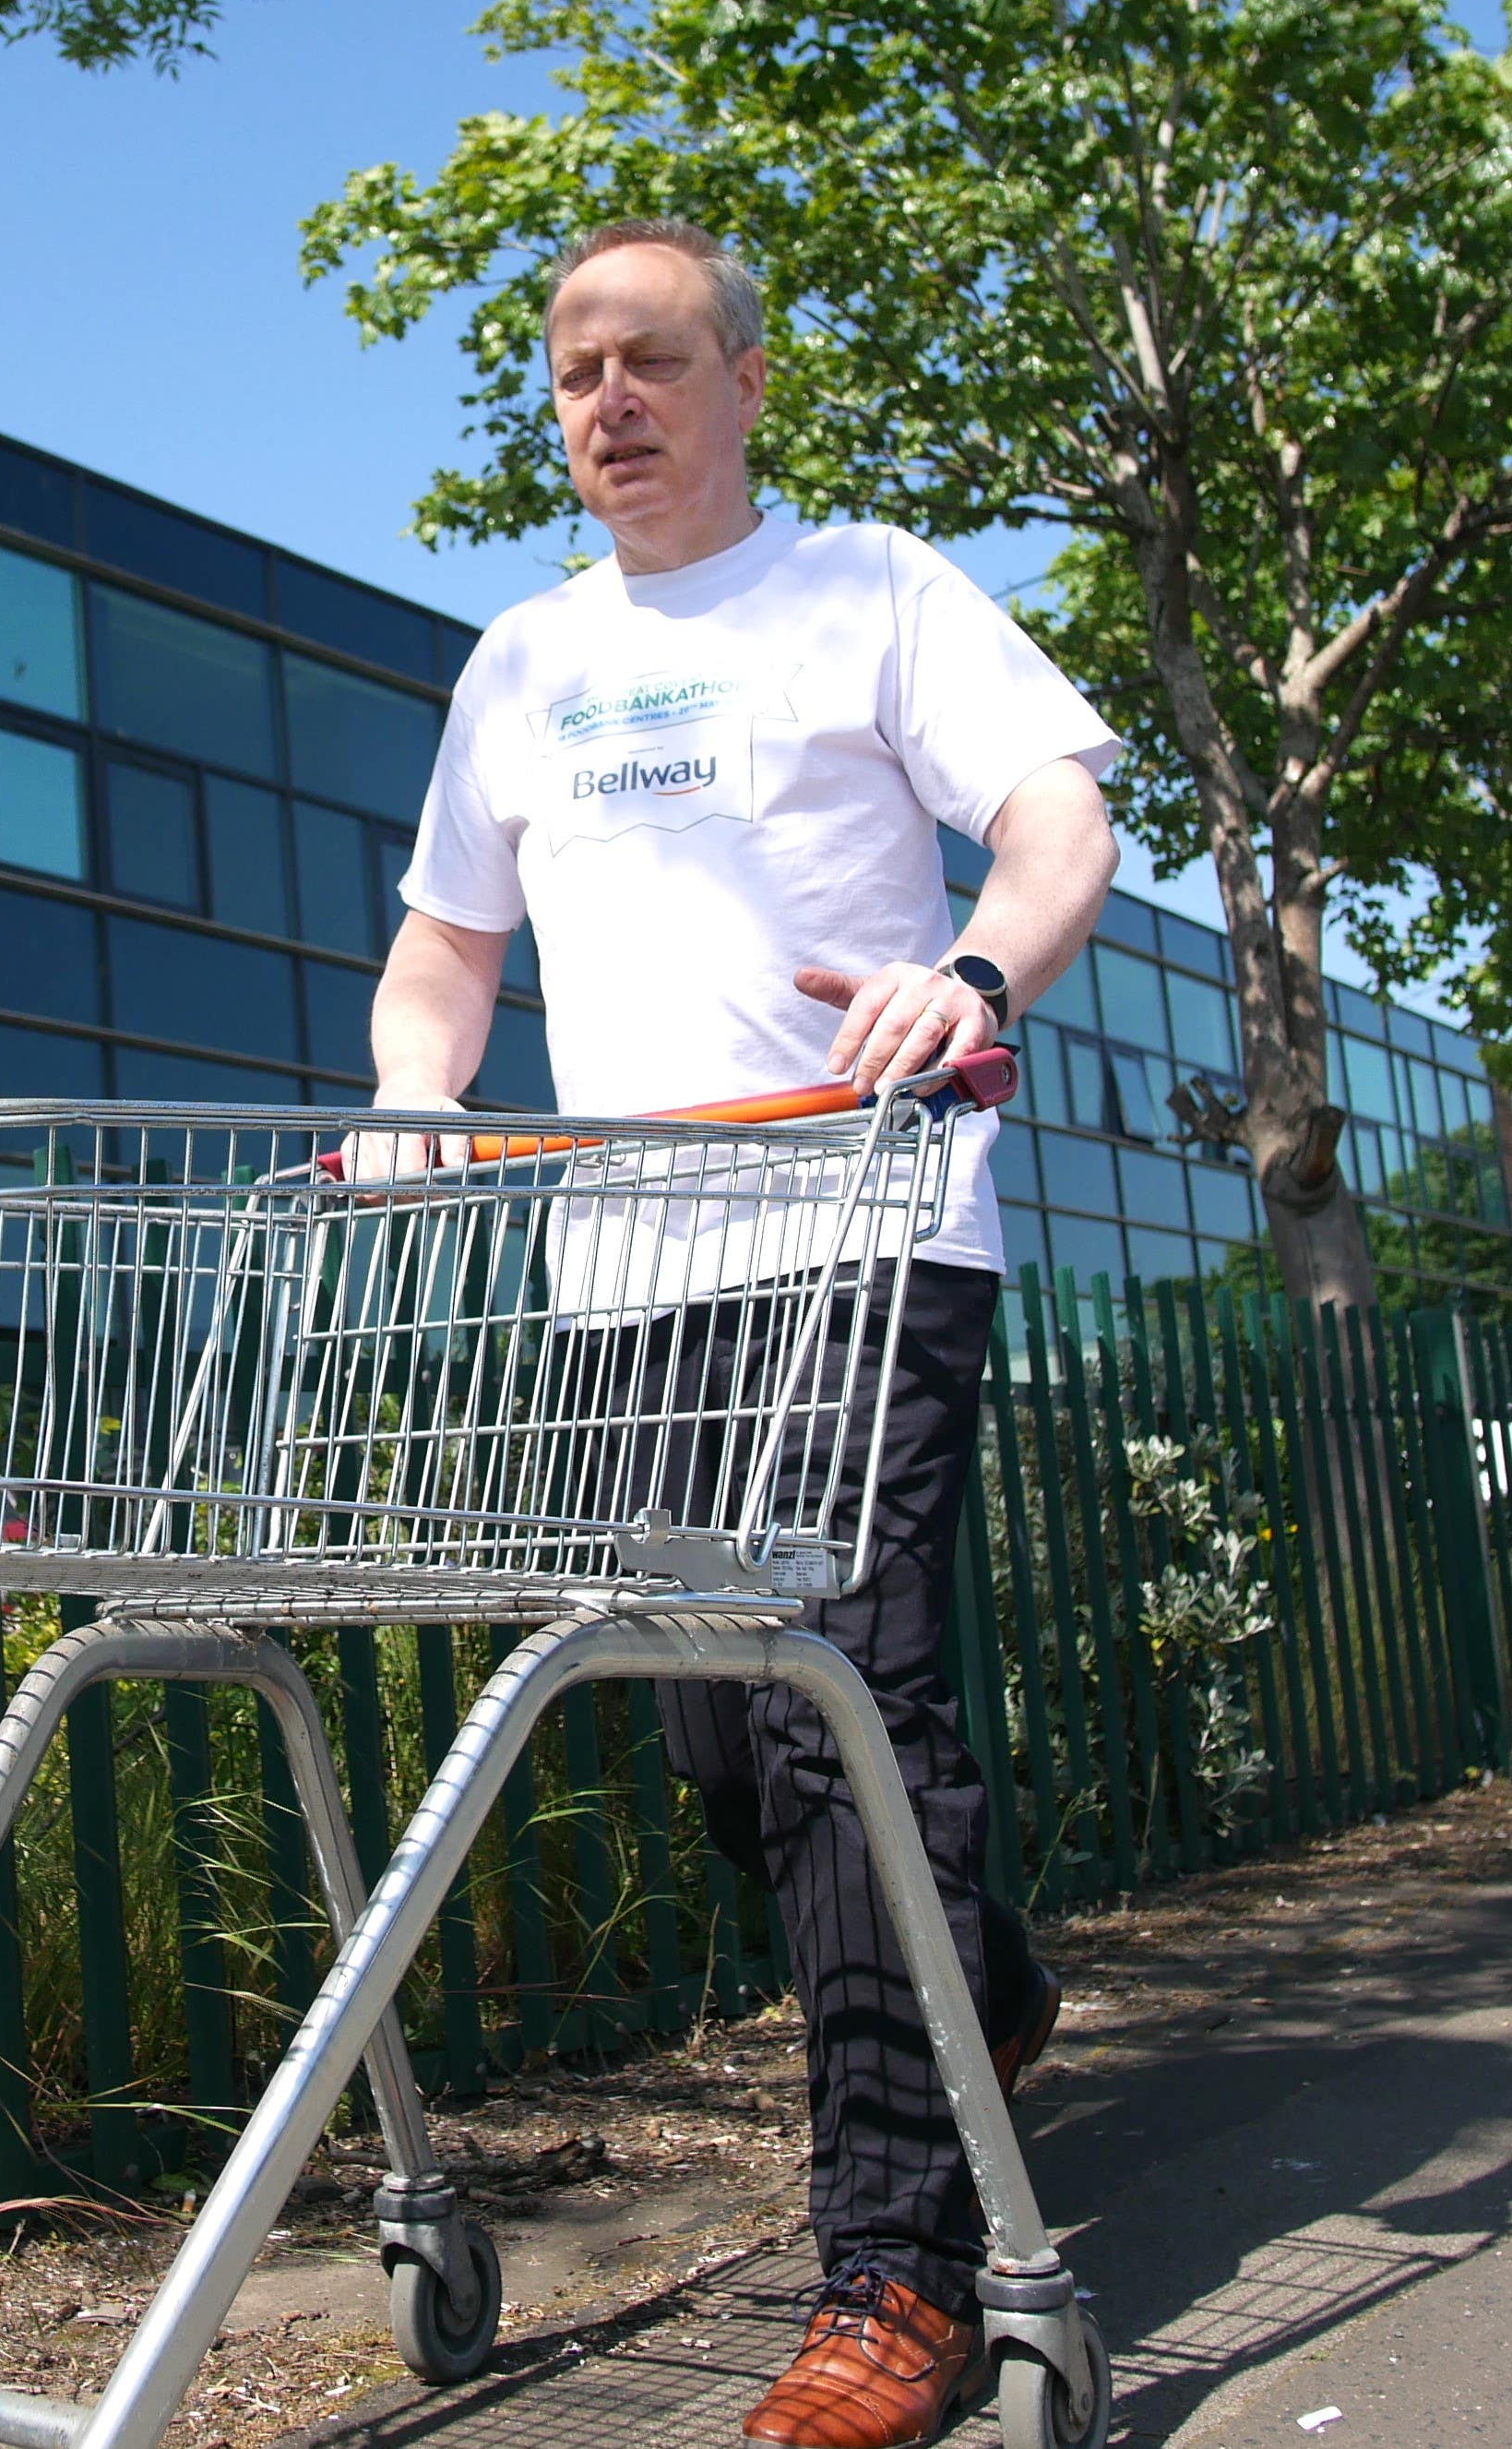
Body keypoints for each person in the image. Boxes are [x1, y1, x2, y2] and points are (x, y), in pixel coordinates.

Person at [366, 216, 1121, 2449]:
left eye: (650, 360)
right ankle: (971, 1988)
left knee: (842, 1728)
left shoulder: (871, 590)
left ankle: (892, 2274)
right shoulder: (516, 663)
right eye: (574, 371)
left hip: (868, 1237)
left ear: (745, 378)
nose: (607, 403)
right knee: (722, 1746)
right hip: (626, 1276)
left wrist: (972, 978)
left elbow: (1058, 815)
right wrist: (421, 1093)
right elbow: (440, 951)